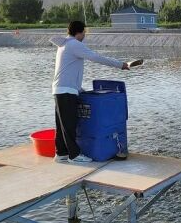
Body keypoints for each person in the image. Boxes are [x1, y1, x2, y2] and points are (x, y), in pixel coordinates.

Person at [50, 21, 129, 163]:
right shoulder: (75, 44)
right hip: (66, 91)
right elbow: (96, 57)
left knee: (62, 124)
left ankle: (61, 153)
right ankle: (74, 155)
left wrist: (79, 89)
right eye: (84, 32)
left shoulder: (64, 45)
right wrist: (120, 65)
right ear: (79, 32)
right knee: (69, 125)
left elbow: (68, 70)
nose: (85, 35)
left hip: (60, 89)